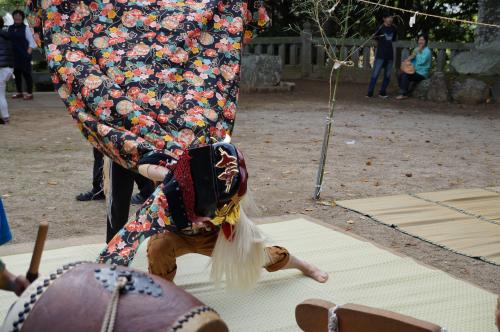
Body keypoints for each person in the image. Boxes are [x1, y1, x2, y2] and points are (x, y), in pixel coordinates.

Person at [28, 0, 329, 288]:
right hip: (176, 228)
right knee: (156, 248)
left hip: (216, 234)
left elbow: (193, 179)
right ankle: (162, 295)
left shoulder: (214, 163)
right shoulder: (159, 155)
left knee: (259, 255)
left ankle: (302, 264)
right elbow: (144, 200)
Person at [367, 11, 397, 98]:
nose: (390, 19)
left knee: (387, 75)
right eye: (388, 17)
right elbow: (374, 38)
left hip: (390, 54)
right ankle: (370, 92)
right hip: (380, 54)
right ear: (384, 19)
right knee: (375, 73)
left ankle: (382, 92)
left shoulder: (394, 28)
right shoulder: (380, 28)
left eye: (391, 17)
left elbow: (393, 40)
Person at [9, 10, 36, 101]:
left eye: (19, 15)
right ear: (13, 17)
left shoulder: (26, 28)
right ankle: (19, 92)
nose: (17, 17)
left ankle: (29, 93)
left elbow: (32, 43)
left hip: (24, 55)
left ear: (22, 17)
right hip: (14, 56)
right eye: (15, 15)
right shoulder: (10, 28)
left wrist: (27, 54)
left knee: (27, 74)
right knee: (16, 75)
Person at [396, 34, 432, 100]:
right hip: (414, 70)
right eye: (419, 40)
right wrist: (407, 60)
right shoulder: (416, 49)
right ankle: (404, 90)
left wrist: (420, 51)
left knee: (405, 75)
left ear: (426, 41)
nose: (420, 41)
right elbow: (412, 58)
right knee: (399, 73)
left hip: (422, 73)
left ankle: (403, 94)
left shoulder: (428, 51)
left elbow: (422, 62)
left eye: (422, 40)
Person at [0, 17, 13, 125]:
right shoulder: (7, 35)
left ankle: (4, 117)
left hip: (1, 68)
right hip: (8, 67)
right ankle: (5, 117)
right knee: (1, 95)